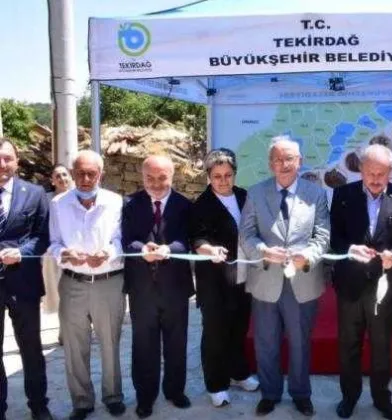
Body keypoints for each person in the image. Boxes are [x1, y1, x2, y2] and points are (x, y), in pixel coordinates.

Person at [240, 136, 330, 417]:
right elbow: (246, 233)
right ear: (270, 164)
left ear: (300, 161)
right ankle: (270, 393)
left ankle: (301, 394)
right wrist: (263, 250)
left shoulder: (316, 194)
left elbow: (323, 235)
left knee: (300, 342)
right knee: (266, 341)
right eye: (278, 159)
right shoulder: (255, 193)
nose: (284, 164)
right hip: (266, 280)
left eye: (289, 158)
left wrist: (311, 256)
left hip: (302, 280)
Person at [330, 144, 392, 420]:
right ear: (361, 170)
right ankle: (350, 397)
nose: (376, 179)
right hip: (351, 286)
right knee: (349, 345)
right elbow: (335, 237)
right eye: (370, 173)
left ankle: (382, 398)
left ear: (391, 171)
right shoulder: (343, 195)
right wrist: (349, 249)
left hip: (385, 287)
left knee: (382, 347)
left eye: (382, 173)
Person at [49, 150, 126, 420]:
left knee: (110, 342)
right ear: (71, 174)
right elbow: (54, 242)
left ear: (101, 175)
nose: (85, 179)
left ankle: (113, 395)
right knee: (74, 345)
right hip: (73, 283)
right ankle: (82, 401)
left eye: (91, 173)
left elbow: (121, 240)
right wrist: (63, 254)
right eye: (79, 173)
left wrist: (109, 252)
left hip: (108, 282)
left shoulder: (116, 202)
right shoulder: (58, 204)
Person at [122, 155, 194, 418]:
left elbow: (188, 240)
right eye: (149, 178)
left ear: (172, 176)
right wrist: (142, 250)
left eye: (162, 177)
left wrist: (168, 249)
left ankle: (175, 391)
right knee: (144, 345)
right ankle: (145, 397)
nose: (155, 183)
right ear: (142, 177)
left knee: (176, 343)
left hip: (176, 288)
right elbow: (124, 240)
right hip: (141, 289)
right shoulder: (128, 204)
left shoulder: (185, 205)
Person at [190, 148, 260, 407]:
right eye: (217, 176)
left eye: (227, 175)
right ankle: (216, 384)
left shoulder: (244, 196)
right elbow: (196, 237)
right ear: (209, 176)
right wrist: (208, 249)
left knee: (239, 329)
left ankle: (238, 373)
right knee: (215, 334)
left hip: (243, 277)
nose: (223, 180)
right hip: (215, 282)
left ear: (234, 174)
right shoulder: (201, 204)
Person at [0, 138, 52, 420]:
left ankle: (39, 406)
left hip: (24, 284)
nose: (2, 164)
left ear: (16, 161)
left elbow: (43, 236)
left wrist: (22, 252)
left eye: (7, 158)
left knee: (31, 349)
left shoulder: (35, 194)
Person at [41, 164, 73, 318]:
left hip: (75, 251)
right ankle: (63, 329)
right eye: (58, 176)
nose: (62, 178)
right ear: (52, 180)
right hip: (53, 253)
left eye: (65, 174)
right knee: (58, 292)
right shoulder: (45, 200)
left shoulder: (79, 196)